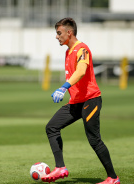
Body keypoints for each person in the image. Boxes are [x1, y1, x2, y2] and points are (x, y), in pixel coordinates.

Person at [41, 18, 120, 184]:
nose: (57, 36)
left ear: (69, 33)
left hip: (91, 100)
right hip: (76, 102)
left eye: (59, 33)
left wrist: (63, 87)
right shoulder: (68, 51)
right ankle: (60, 167)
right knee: (52, 127)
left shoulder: (81, 49)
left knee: (94, 139)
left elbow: (82, 71)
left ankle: (113, 178)